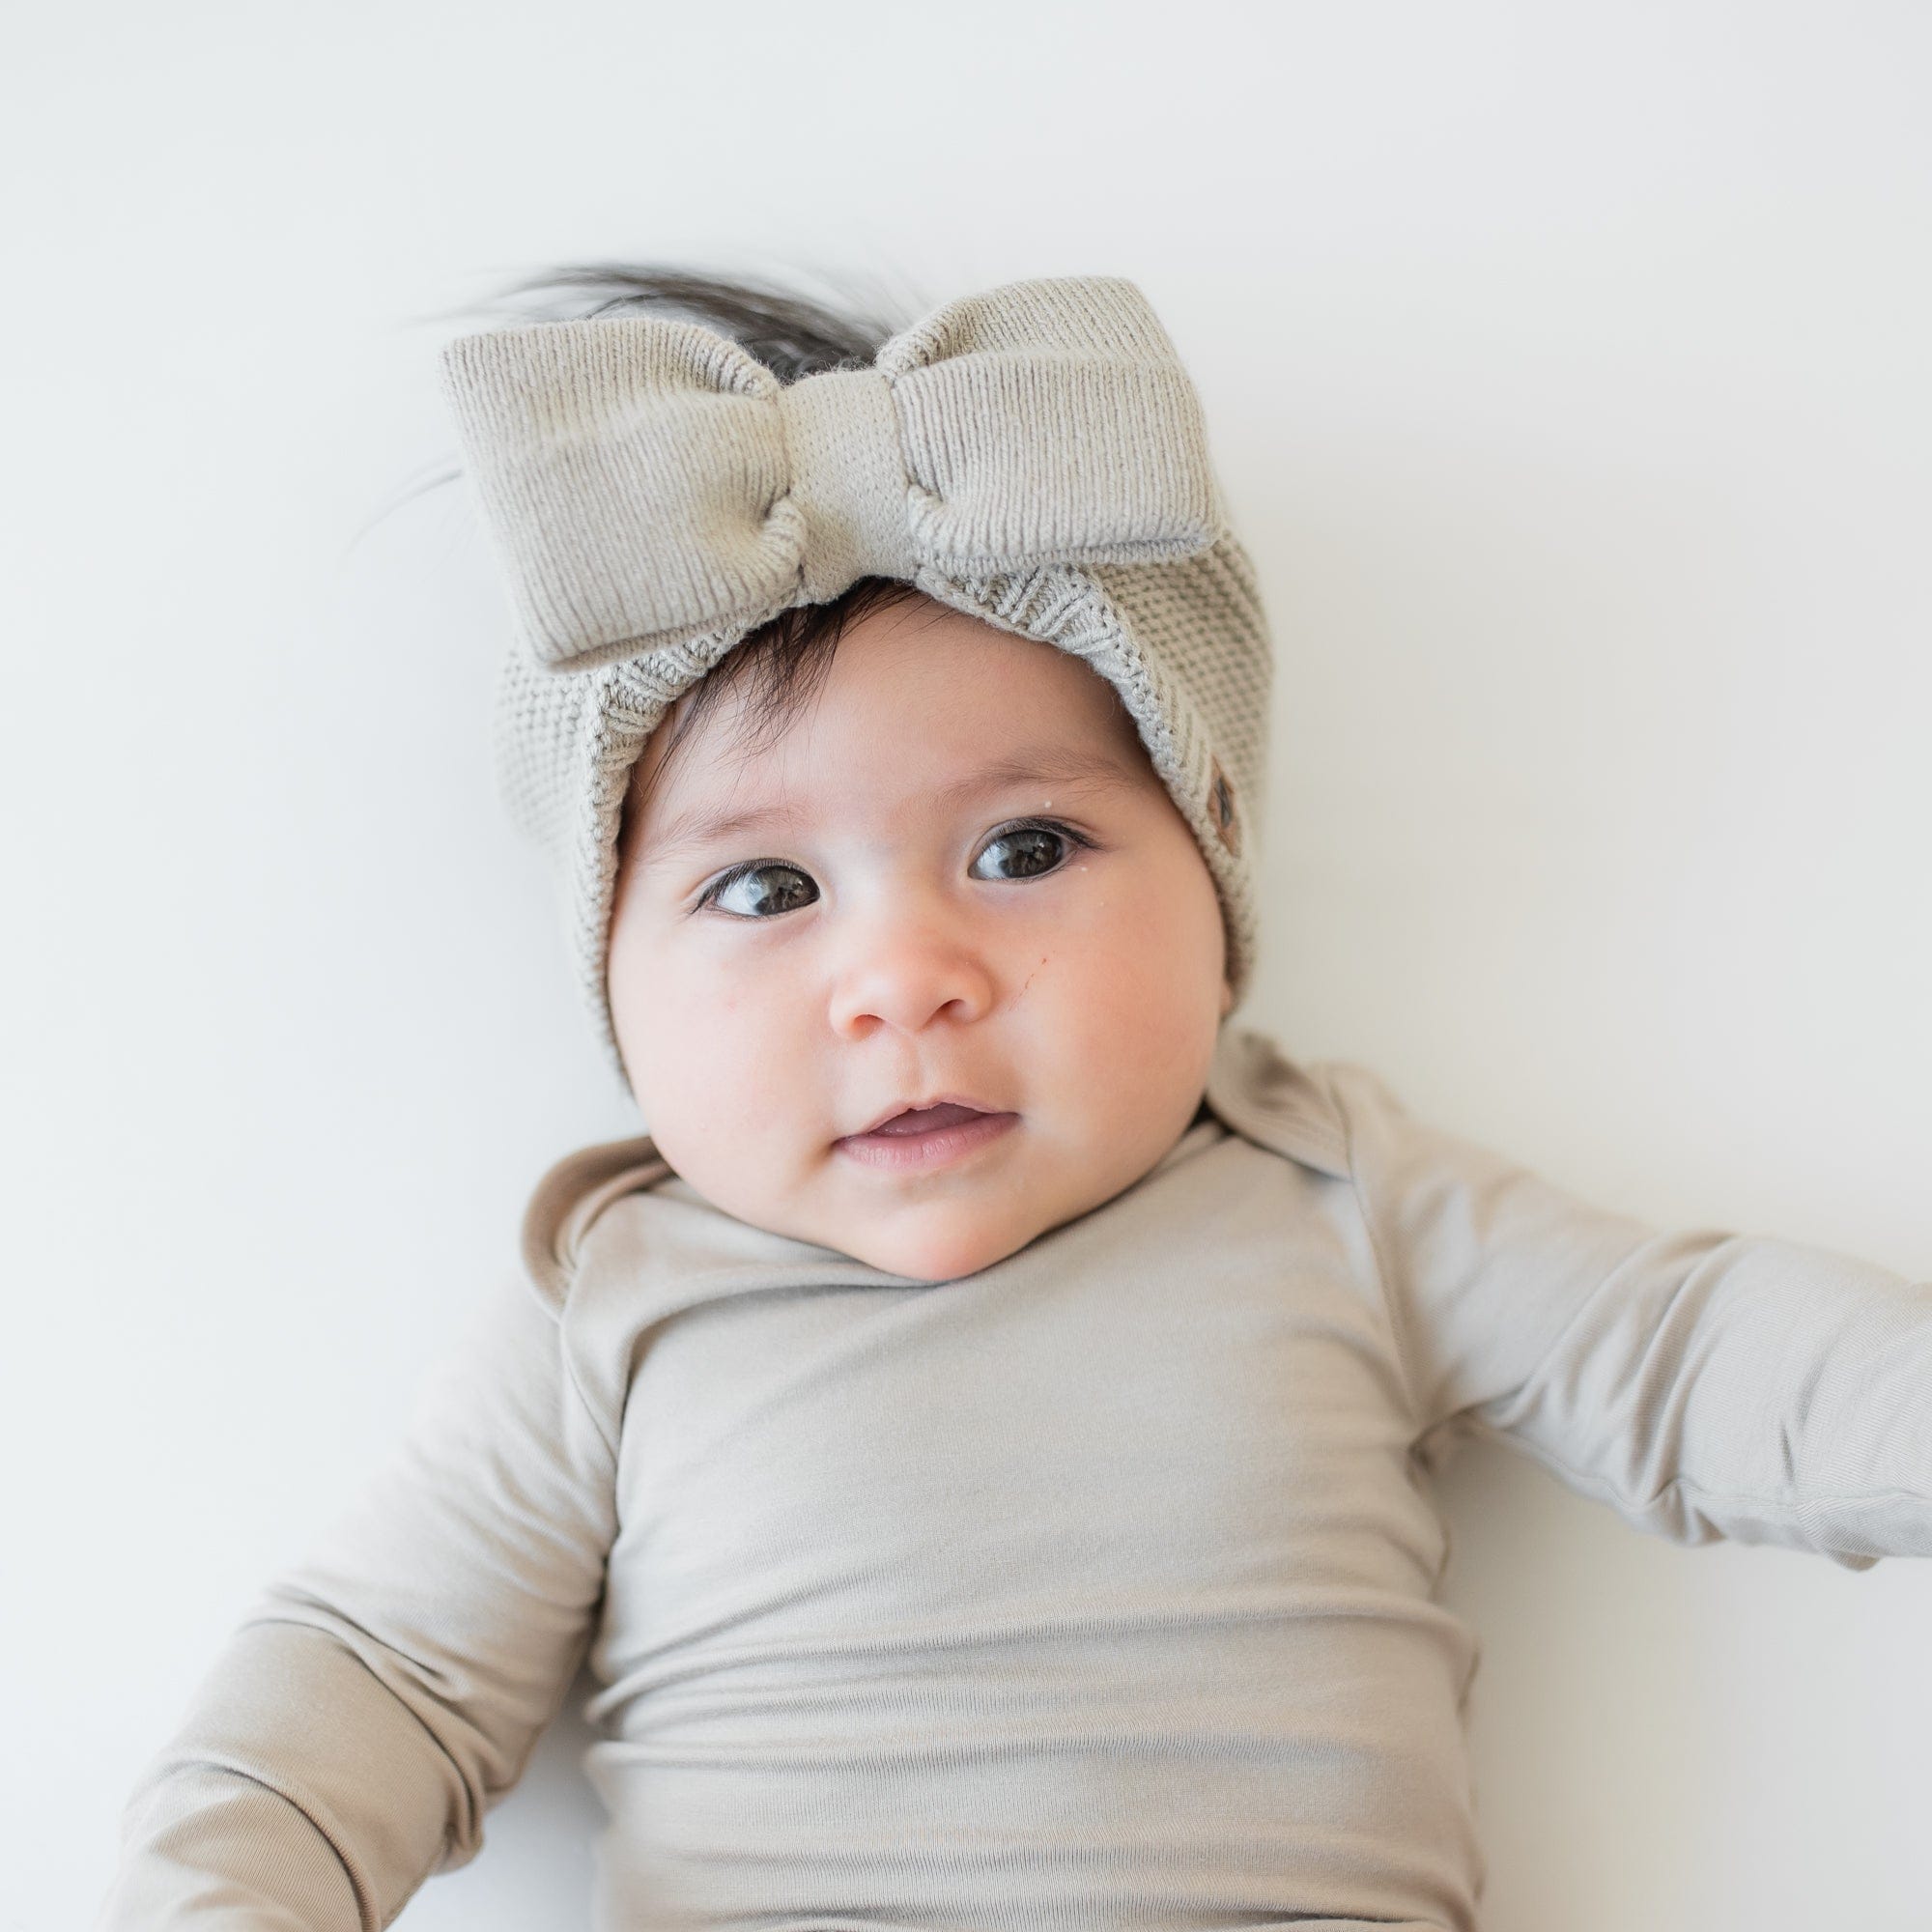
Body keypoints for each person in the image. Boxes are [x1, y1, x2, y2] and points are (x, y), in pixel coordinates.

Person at [94, 269, 1931, 1932]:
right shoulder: (619, 1301)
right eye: (763, 889)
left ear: (1214, 878)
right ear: (611, 982)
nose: (905, 977)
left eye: (1025, 845)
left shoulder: (1328, 1190)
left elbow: (1700, 1357)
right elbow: (378, 1673)